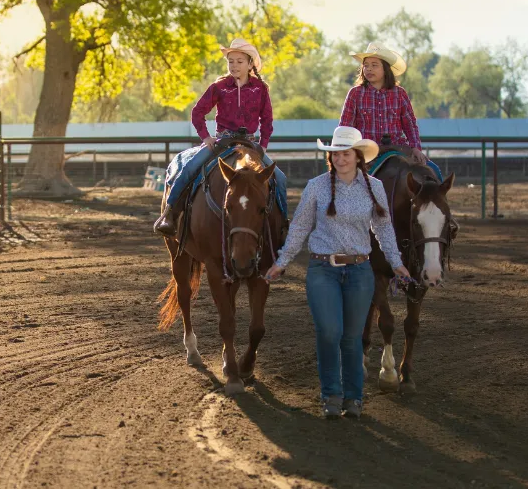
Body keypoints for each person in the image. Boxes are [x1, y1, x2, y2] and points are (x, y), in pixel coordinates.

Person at [264, 125, 410, 420]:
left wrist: (396, 262)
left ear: (358, 157)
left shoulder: (374, 187)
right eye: (336, 154)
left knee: (352, 337)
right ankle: (331, 394)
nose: (341, 159)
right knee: (329, 332)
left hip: (359, 270)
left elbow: (382, 228)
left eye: (346, 154)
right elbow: (301, 226)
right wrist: (283, 260)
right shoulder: (316, 186)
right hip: (322, 269)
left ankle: (354, 397)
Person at [154, 38, 287, 236]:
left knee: (280, 178)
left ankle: (282, 224)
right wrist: (206, 137)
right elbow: (197, 112)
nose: (234, 65)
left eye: (239, 61)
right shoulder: (219, 87)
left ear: (250, 63)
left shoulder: (260, 89)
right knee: (189, 168)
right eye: (230, 61)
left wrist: (264, 145)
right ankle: (170, 214)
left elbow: (267, 120)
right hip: (222, 141)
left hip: (249, 143)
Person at [339, 41, 444, 182]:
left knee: (433, 170)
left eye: (374, 65)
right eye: (366, 65)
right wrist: (346, 152)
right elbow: (345, 127)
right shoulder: (355, 94)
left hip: (397, 148)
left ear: (385, 69)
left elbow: (410, 124)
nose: (369, 69)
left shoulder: (399, 94)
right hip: (366, 151)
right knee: (349, 181)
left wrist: (415, 148)